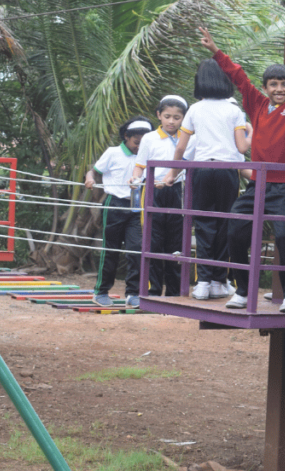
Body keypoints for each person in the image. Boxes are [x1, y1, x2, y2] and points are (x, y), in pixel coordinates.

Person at [192, 27, 285, 310]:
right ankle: (242, 290)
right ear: (265, 88)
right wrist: (215, 50)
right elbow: (238, 76)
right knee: (234, 229)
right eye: (273, 84)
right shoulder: (256, 105)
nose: (279, 89)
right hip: (257, 184)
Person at [162, 58, 249, 301]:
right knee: (223, 225)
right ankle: (219, 282)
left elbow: (180, 148)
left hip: (200, 170)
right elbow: (242, 147)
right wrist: (253, 134)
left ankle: (203, 282)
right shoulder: (234, 111)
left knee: (203, 225)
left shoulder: (195, 109)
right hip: (227, 171)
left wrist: (172, 173)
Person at [86, 117, 153, 307]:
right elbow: (93, 171)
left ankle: (133, 293)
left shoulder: (148, 156)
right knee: (111, 250)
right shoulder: (113, 153)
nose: (139, 147)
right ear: (126, 136)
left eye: (144, 144)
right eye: (136, 142)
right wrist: (89, 178)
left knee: (136, 250)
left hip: (136, 206)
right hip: (114, 204)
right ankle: (101, 292)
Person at [131, 95, 190, 297]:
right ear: (159, 115)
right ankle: (152, 291)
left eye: (176, 117)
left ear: (184, 118)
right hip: (153, 190)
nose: (171, 121)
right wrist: (135, 179)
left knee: (176, 242)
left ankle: (174, 292)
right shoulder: (149, 138)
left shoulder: (188, 137)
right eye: (167, 116)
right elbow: (140, 165)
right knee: (153, 241)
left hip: (179, 191)